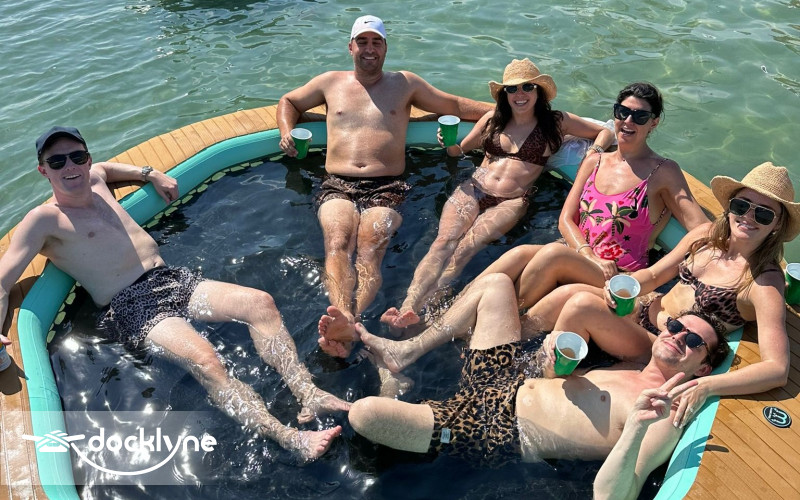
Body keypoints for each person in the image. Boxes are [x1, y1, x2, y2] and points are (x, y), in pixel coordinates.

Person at [0, 126, 351, 461]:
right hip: (130, 304)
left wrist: (149, 173)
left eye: (77, 157)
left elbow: (107, 169)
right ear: (43, 171)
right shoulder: (44, 220)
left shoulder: (94, 179)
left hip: (169, 279)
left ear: (87, 159)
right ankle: (289, 437)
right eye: (57, 161)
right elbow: (2, 282)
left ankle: (308, 392)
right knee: (207, 360)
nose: (70, 167)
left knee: (260, 303)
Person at [349, 274, 728, 500]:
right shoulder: (629, 364)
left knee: (364, 414)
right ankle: (406, 352)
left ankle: (391, 386)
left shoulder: (663, 413)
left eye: (694, 342)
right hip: (504, 378)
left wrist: (636, 427)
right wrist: (550, 363)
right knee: (496, 285)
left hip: (494, 428)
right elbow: (562, 393)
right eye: (677, 327)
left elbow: (613, 495)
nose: (679, 337)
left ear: (703, 367)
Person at [277, 15, 492, 357]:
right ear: (350, 47)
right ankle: (344, 316)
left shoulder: (405, 84)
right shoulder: (330, 82)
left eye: (376, 42)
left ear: (386, 48)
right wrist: (286, 131)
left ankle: (351, 320)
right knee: (337, 242)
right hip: (337, 183)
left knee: (369, 249)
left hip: (387, 186)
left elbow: (454, 106)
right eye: (362, 41)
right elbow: (289, 102)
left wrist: (506, 111)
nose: (369, 49)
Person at [537, 161, 797, 426]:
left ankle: (547, 380)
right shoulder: (706, 236)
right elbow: (653, 276)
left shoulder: (763, 281)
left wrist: (706, 386)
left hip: (665, 344)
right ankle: (517, 344)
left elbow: (777, 369)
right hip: (642, 310)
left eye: (763, 214)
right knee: (567, 293)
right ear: (730, 207)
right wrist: (621, 288)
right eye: (742, 206)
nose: (748, 217)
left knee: (581, 305)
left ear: (777, 224)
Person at [380, 58, 615, 329]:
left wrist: (594, 154)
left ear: (538, 91)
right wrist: (449, 144)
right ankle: (409, 305)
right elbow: (461, 150)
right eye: (512, 89)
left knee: (465, 249)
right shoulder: (493, 118)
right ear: (505, 94)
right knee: (442, 242)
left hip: (511, 200)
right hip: (473, 188)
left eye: (527, 87)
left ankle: (432, 305)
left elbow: (604, 132)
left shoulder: (555, 121)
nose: (520, 94)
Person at [477, 82, 709, 310]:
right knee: (515, 256)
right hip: (579, 254)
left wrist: (655, 276)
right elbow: (566, 219)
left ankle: (508, 317)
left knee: (553, 255)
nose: (628, 121)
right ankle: (457, 310)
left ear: (653, 122)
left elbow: (703, 229)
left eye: (640, 116)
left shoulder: (663, 171)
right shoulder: (594, 161)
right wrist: (587, 255)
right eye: (622, 112)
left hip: (617, 274)